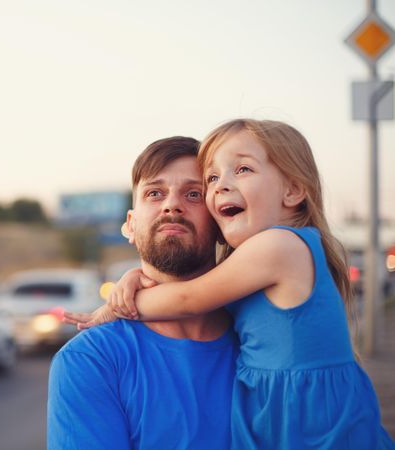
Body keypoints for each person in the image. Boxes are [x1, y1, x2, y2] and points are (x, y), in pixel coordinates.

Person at [67, 119, 395, 449]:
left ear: (293, 190)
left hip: (316, 427)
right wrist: (133, 278)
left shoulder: (279, 246)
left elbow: (189, 298)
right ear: (130, 225)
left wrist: (117, 306)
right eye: (213, 178)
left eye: (242, 170)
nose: (222, 185)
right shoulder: (89, 359)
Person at [47, 137, 239, 450]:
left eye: (194, 194)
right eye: (154, 193)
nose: (171, 204)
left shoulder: (258, 333)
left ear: (219, 221)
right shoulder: (90, 360)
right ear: (130, 226)